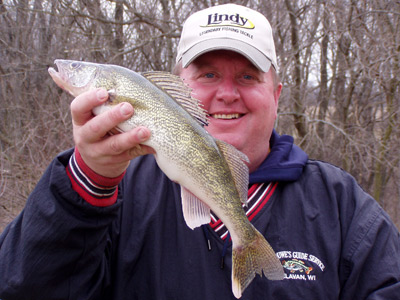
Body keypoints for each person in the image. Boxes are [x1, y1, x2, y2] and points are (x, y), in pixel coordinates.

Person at [0, 3, 399, 300]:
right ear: (176, 88)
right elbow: (23, 286)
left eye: (247, 75)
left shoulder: (343, 207)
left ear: (276, 95)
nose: (227, 93)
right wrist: (89, 181)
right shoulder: (117, 192)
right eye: (207, 74)